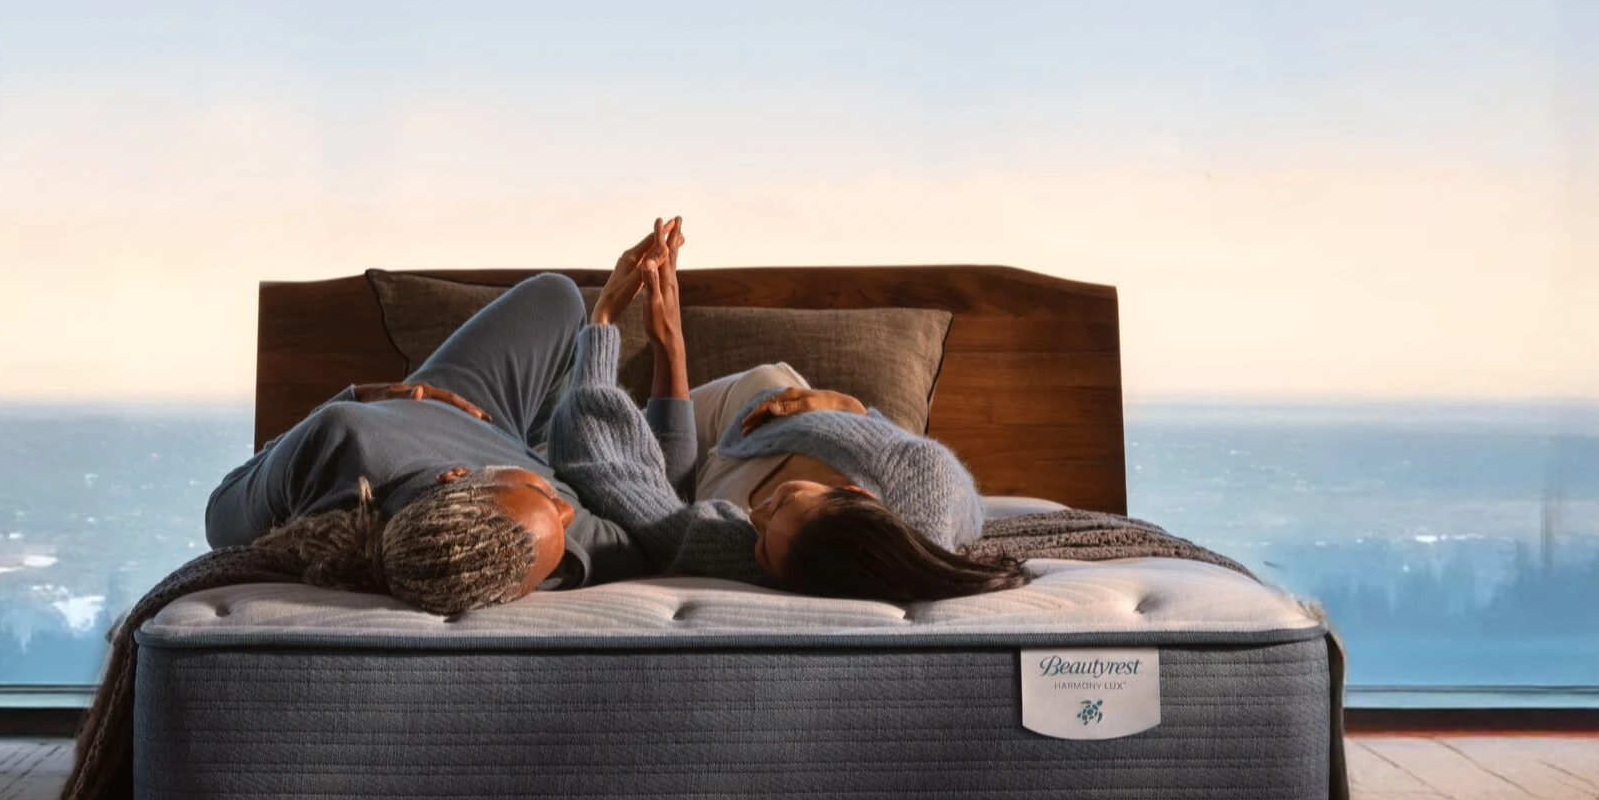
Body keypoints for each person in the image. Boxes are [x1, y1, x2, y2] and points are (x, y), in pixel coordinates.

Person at [205, 231, 689, 613]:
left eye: (543, 493)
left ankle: (539, 437)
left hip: (446, 402)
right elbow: (666, 497)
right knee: (587, 435)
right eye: (560, 515)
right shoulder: (554, 545)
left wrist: (371, 394)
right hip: (493, 436)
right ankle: (546, 438)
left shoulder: (337, 438)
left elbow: (221, 510)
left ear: (457, 478)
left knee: (557, 297)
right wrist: (667, 344)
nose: (565, 509)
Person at [551, 218, 1025, 601]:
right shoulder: (928, 485)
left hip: (707, 479)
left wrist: (615, 326)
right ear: (856, 494)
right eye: (783, 501)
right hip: (758, 406)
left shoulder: (784, 558)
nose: (756, 514)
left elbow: (640, 493)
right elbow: (964, 503)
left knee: (570, 453)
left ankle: (665, 352)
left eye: (761, 541)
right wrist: (852, 407)